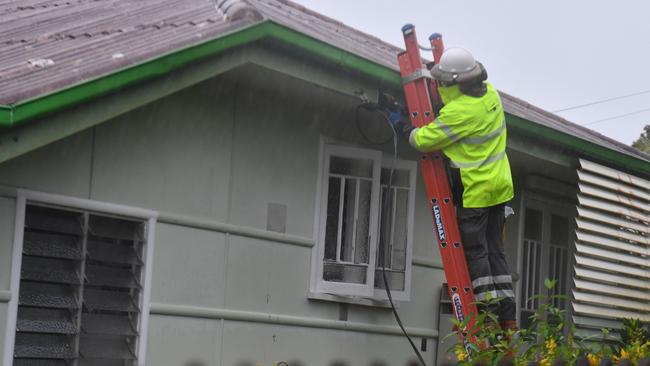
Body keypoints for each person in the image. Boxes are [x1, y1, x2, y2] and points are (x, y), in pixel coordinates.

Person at [393, 47, 517, 330]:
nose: (438, 85)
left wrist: (402, 125)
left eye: (442, 81)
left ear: (454, 83)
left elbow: (424, 141)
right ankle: (507, 316)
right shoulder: (491, 95)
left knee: (476, 253)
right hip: (500, 187)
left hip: (476, 191)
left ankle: (485, 314)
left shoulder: (460, 112)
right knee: (496, 252)